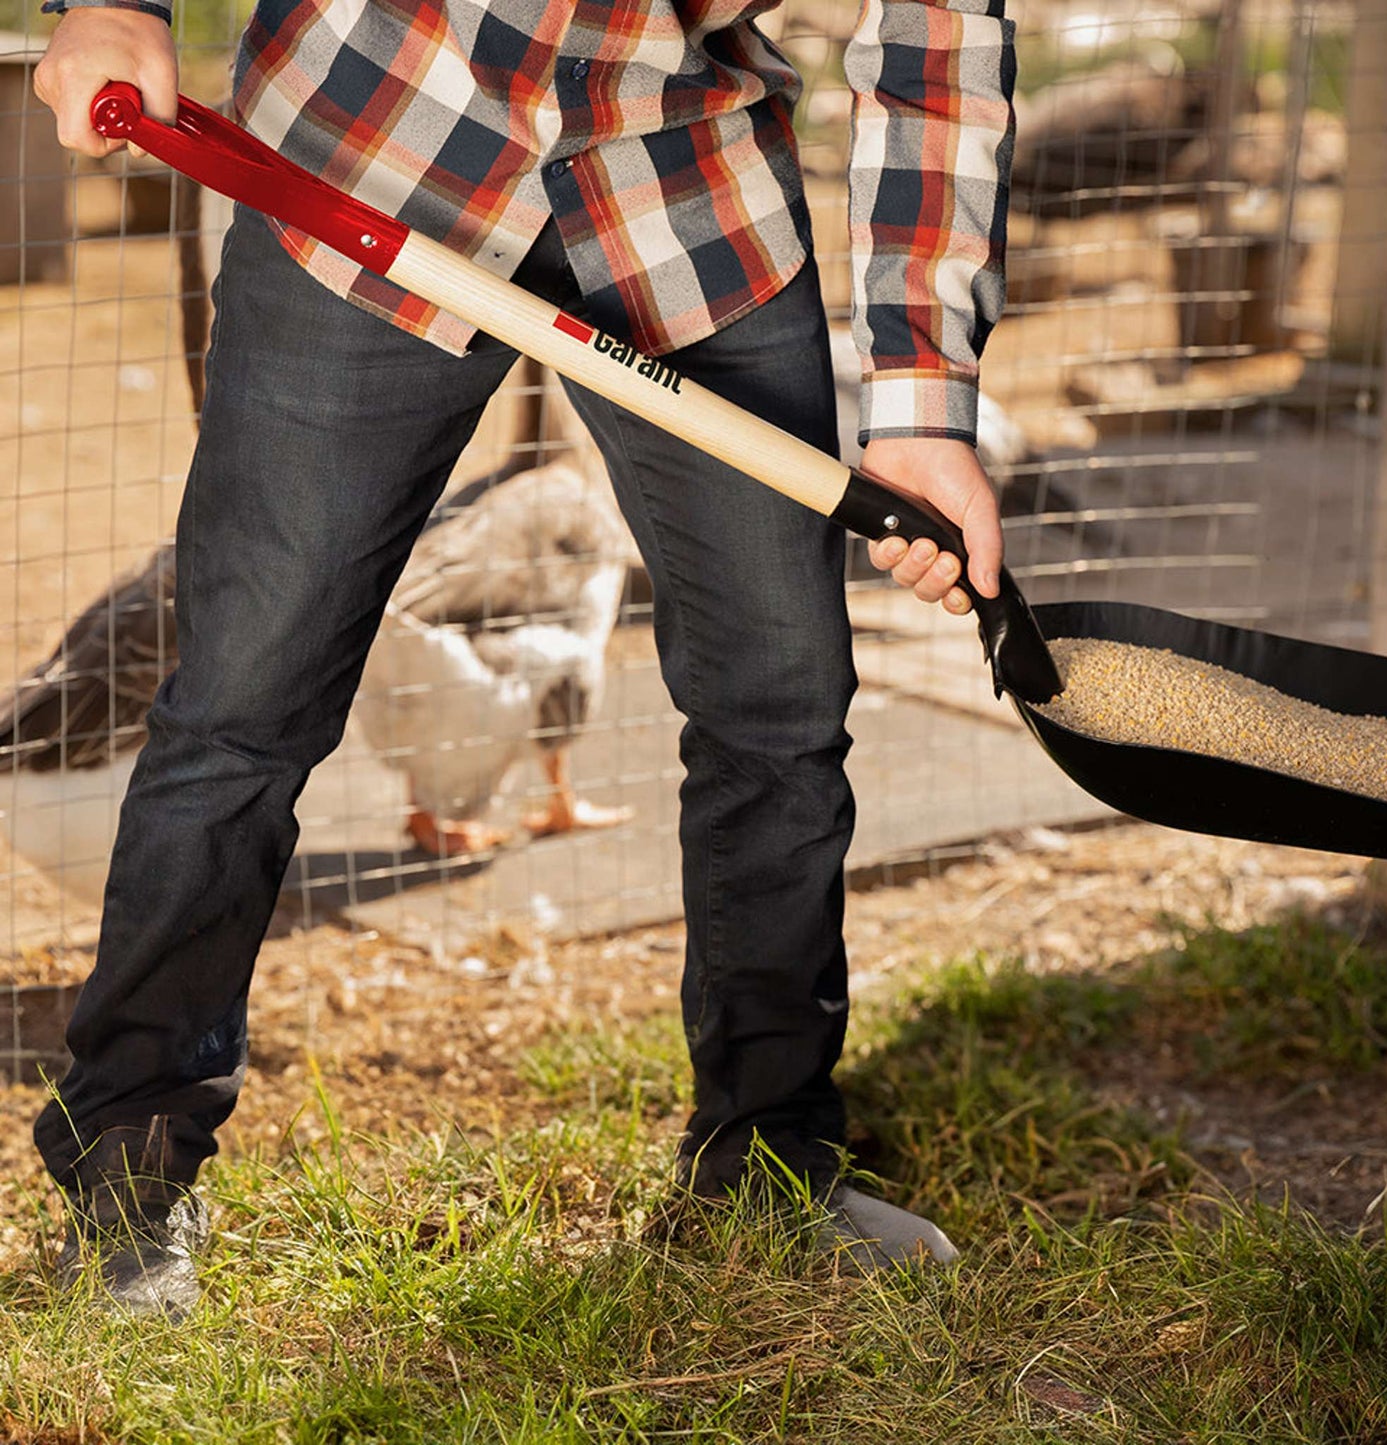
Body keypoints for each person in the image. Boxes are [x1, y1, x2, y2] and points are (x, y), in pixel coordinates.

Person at [31, 0, 1015, 1314]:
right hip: (378, 139)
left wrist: (922, 398)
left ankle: (770, 1156)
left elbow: (936, 40)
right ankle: (129, 1174)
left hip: (683, 195)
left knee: (779, 703)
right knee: (243, 702)